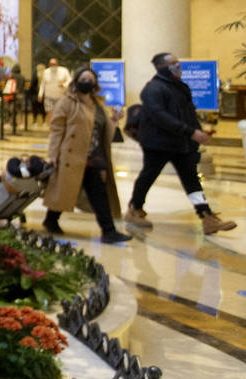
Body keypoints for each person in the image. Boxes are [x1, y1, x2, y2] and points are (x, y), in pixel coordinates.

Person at [125, 53, 237, 235]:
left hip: (179, 142)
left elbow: (190, 113)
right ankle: (134, 208)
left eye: (178, 63)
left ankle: (206, 217)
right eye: (173, 63)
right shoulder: (153, 89)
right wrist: (190, 132)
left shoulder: (181, 87)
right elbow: (160, 116)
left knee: (191, 179)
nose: (178, 66)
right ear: (162, 67)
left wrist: (198, 132)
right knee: (149, 175)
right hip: (157, 142)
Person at [42, 67, 132, 243]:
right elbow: (57, 130)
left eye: (90, 80)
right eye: (83, 79)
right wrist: (52, 154)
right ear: (76, 81)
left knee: (98, 194)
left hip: (93, 158)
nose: (87, 82)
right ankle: (51, 220)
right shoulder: (67, 102)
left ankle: (108, 231)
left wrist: (114, 120)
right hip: (72, 157)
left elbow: (103, 131)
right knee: (65, 191)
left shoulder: (97, 104)